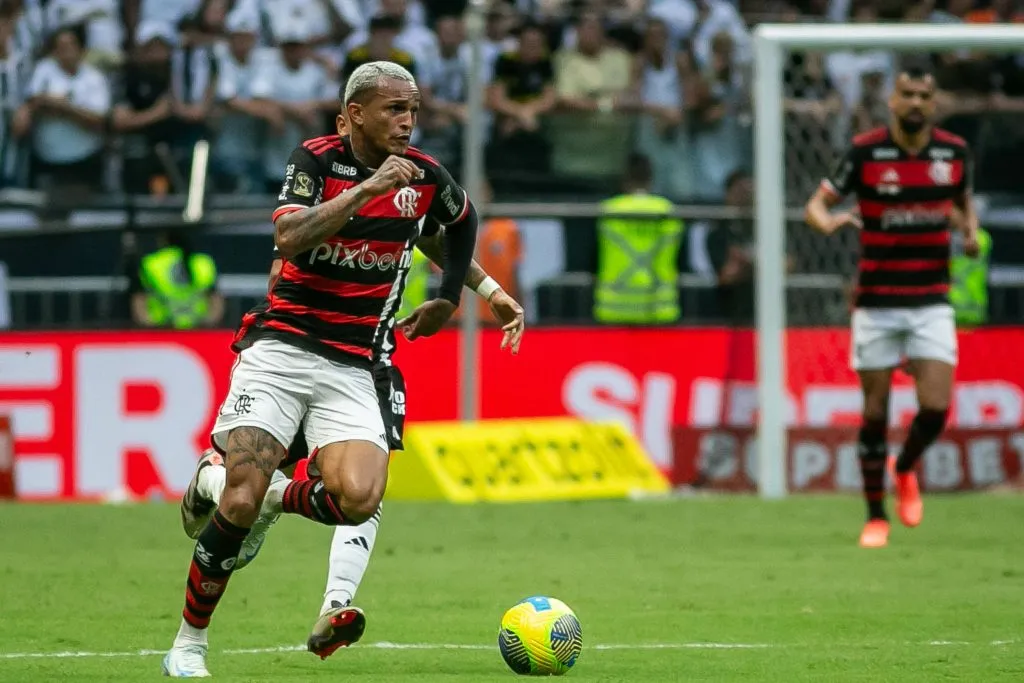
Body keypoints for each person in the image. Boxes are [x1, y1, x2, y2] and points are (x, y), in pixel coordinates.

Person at [162, 60, 484, 677]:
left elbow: (463, 220)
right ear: (353, 115)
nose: (407, 121)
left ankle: (277, 498)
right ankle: (188, 644)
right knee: (237, 500)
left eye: (412, 109)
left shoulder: (422, 176)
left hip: (353, 363)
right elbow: (289, 239)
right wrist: (366, 190)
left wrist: (451, 296)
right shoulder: (312, 160)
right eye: (394, 109)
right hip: (281, 351)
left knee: (359, 498)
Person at [804, 65, 979, 549]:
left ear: (934, 101)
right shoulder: (865, 152)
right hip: (878, 301)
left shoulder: (954, 152)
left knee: (937, 406)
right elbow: (816, 205)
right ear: (893, 101)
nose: (917, 103)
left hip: (931, 300)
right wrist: (831, 221)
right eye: (908, 95)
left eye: (925, 94)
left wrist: (968, 231)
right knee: (875, 411)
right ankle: (875, 516)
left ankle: (904, 468)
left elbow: (962, 199)